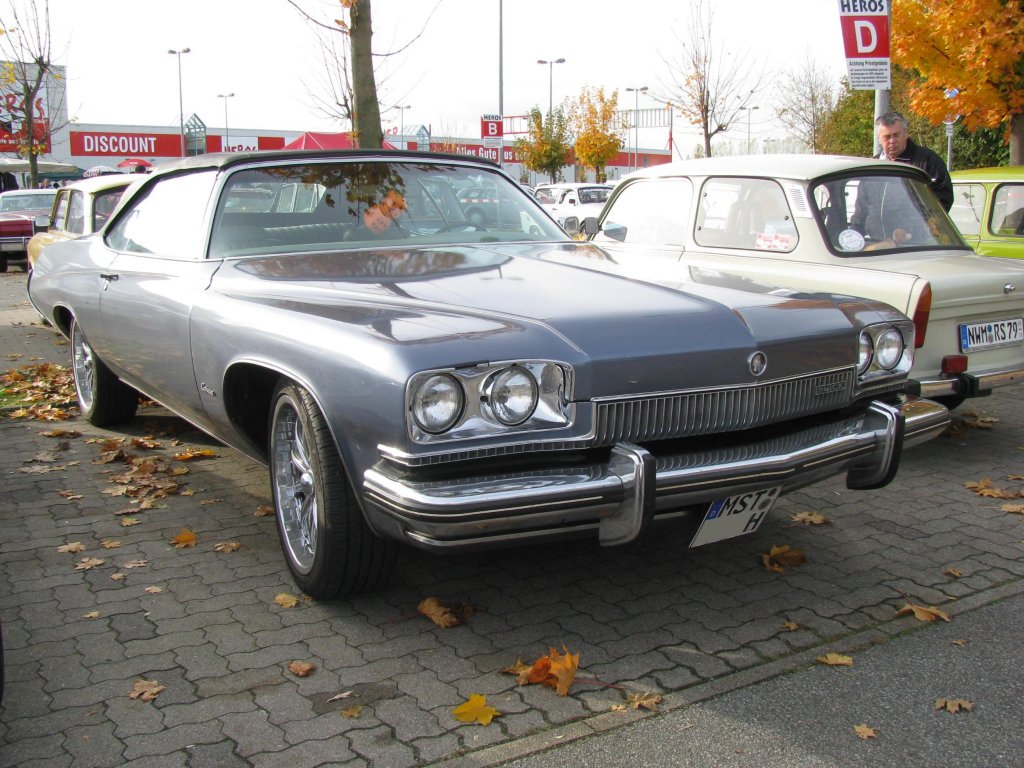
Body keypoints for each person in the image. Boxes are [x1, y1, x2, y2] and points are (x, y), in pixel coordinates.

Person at [874, 111, 954, 211]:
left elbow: (943, 197)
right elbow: (862, 201)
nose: (892, 141)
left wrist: (922, 219)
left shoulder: (928, 161)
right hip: (875, 221)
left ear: (906, 133)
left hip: (914, 221)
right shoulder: (873, 165)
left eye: (896, 135)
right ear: (879, 139)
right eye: (887, 137)